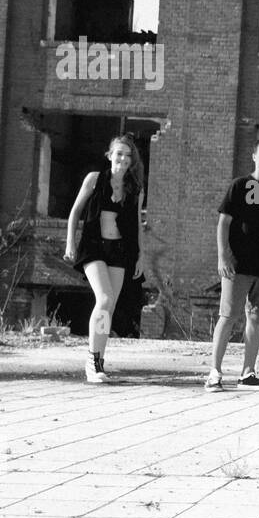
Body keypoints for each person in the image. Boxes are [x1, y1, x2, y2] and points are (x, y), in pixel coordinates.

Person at [206, 137, 259, 390]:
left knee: (256, 318)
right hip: (238, 265)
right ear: (254, 156)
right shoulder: (241, 185)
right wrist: (222, 256)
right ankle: (214, 373)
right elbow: (224, 222)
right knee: (228, 316)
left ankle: (247, 373)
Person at [64, 134, 146, 383]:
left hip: (119, 250)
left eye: (127, 155)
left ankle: (98, 361)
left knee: (108, 307)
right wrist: (70, 242)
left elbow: (138, 226)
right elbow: (75, 211)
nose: (122, 158)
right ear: (110, 155)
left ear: (132, 161)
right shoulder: (95, 179)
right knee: (105, 298)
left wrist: (141, 256)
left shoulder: (135, 189)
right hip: (93, 247)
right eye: (118, 153)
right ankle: (91, 359)